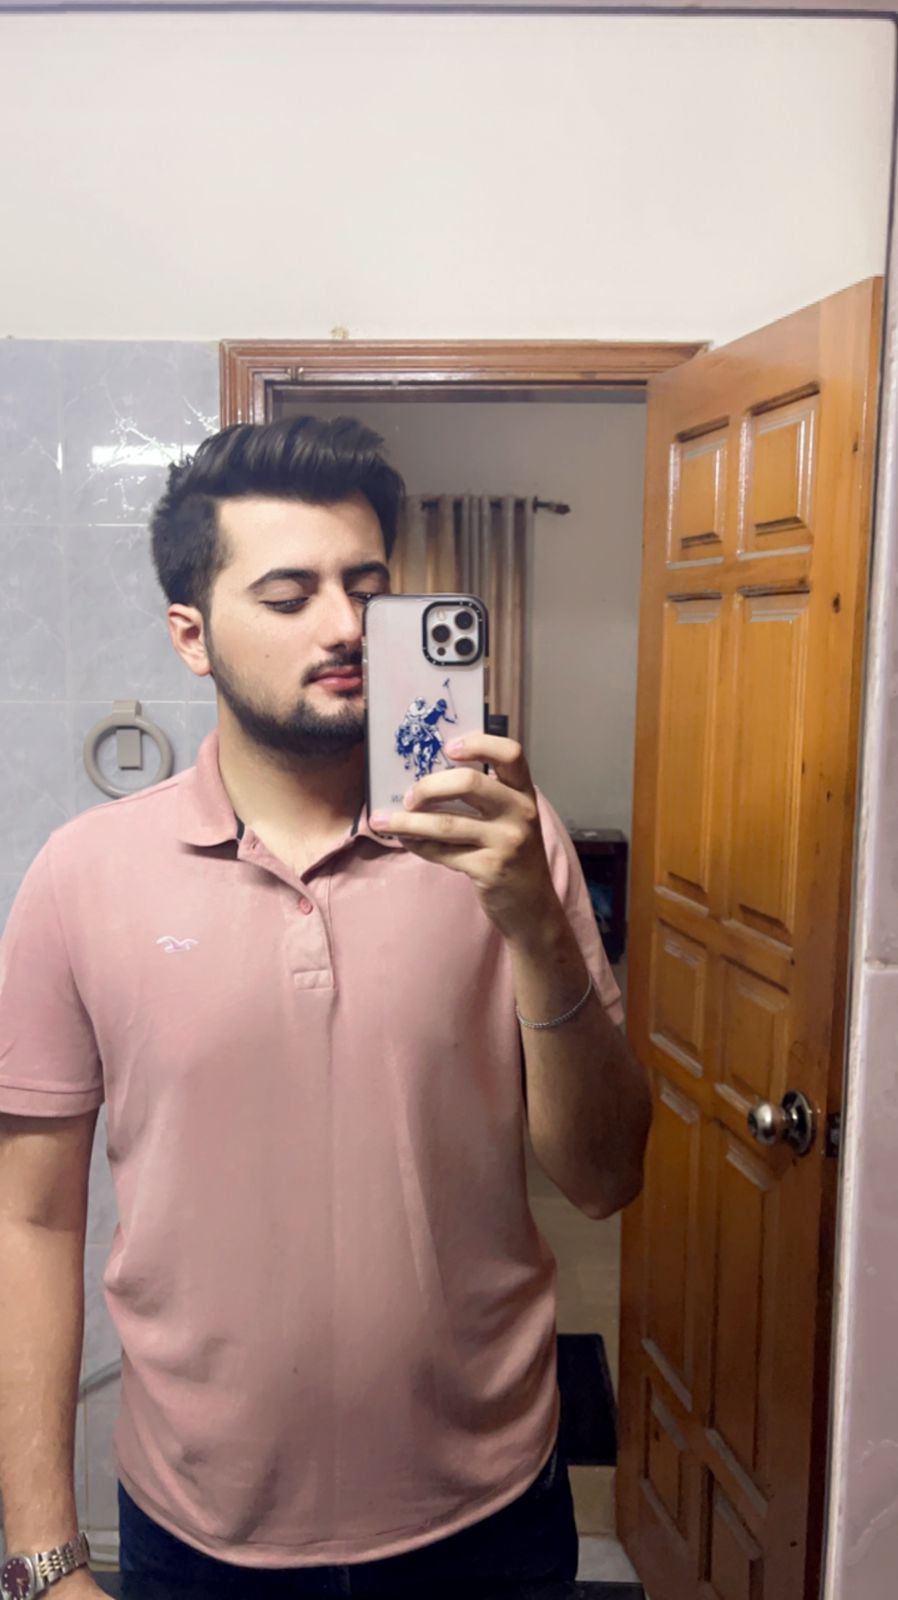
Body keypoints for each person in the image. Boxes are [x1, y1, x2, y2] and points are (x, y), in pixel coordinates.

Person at [0, 417, 652, 1599]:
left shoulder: (510, 843)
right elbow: (31, 1223)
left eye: (368, 587)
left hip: (492, 1515)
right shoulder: (78, 877)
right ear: (191, 635)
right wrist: (46, 1556)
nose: (346, 625)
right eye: (289, 594)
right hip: (198, 1534)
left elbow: (606, 1175)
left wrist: (534, 924)